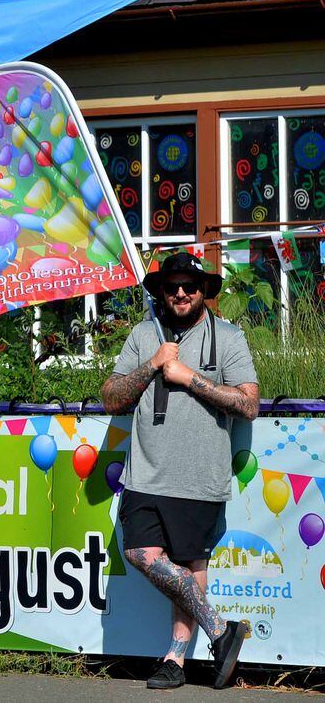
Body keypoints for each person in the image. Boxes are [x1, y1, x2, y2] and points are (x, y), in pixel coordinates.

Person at [101, 251, 259, 690]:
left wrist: (189, 378)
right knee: (140, 554)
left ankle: (176, 660)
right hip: (146, 475)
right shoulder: (143, 335)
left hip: (200, 478)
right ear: (162, 292)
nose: (182, 293)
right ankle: (222, 630)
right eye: (173, 286)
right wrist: (152, 364)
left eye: (190, 286)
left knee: (192, 564)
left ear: (203, 291)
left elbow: (249, 403)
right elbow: (111, 397)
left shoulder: (227, 337)